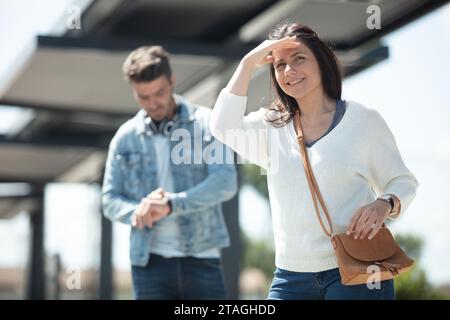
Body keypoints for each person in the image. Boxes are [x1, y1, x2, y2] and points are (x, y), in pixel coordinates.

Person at [209, 23, 418, 300]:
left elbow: (403, 181)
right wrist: (248, 62)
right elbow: (222, 126)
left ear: (321, 62)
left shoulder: (363, 121)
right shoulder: (271, 128)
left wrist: (384, 203)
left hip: (360, 269)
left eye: (299, 59)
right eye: (280, 64)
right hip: (290, 277)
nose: (289, 71)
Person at [102, 46, 238, 300]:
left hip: (202, 260)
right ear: (134, 92)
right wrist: (139, 211)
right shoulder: (125, 137)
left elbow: (226, 182)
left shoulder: (208, 123)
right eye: (143, 97)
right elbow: (109, 200)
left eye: (160, 93)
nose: (153, 102)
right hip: (148, 263)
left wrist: (172, 204)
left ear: (172, 80)